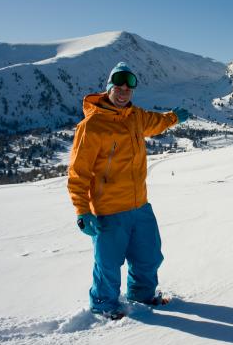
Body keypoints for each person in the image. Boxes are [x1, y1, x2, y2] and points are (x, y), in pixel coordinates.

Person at [67, 62, 189, 320]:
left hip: (140, 206)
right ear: (109, 87)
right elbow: (79, 173)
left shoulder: (135, 116)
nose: (123, 90)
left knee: (149, 255)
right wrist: (82, 210)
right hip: (108, 210)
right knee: (108, 264)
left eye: (128, 85)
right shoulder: (92, 125)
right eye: (118, 84)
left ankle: (142, 295)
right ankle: (104, 305)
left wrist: (174, 117)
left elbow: (156, 122)